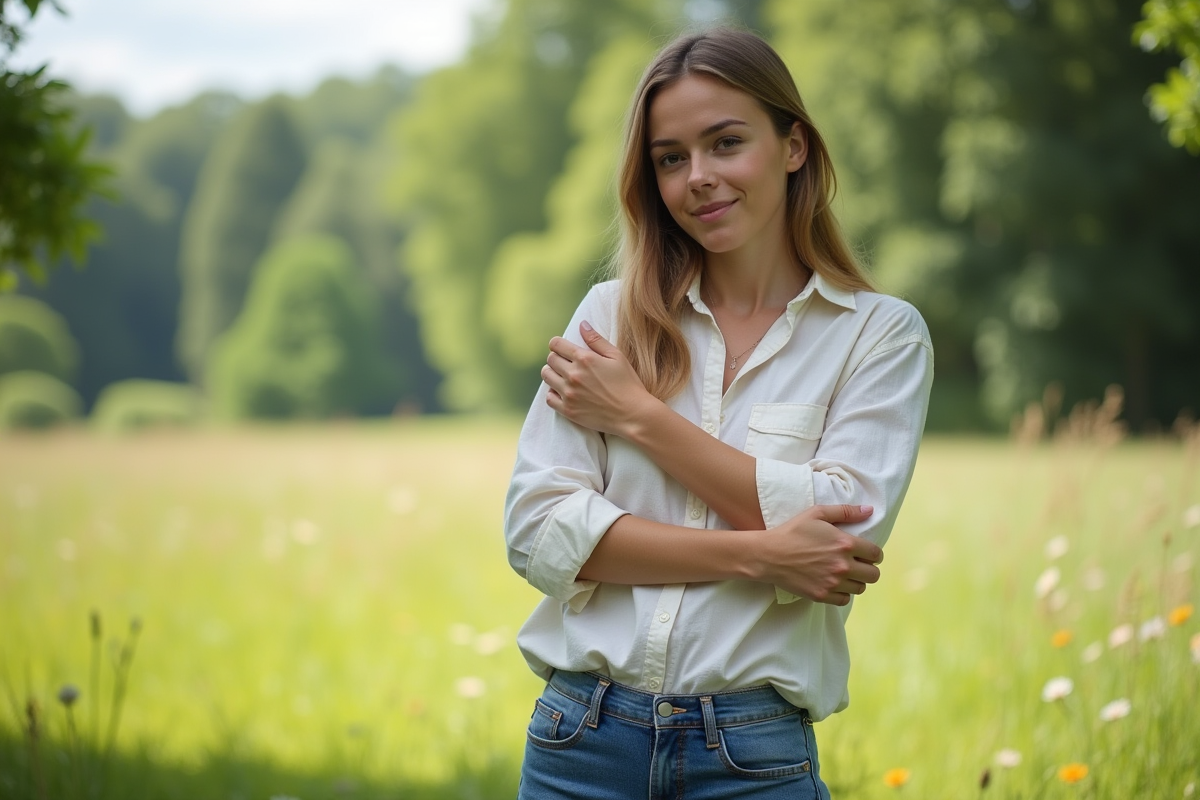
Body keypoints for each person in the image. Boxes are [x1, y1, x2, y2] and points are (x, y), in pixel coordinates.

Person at [504, 26, 933, 800]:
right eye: (671, 158)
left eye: (725, 143)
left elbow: (841, 541)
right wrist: (758, 555)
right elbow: (538, 532)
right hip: (578, 741)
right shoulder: (607, 320)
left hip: (751, 757)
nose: (698, 177)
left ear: (793, 146)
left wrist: (638, 417)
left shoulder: (879, 335)